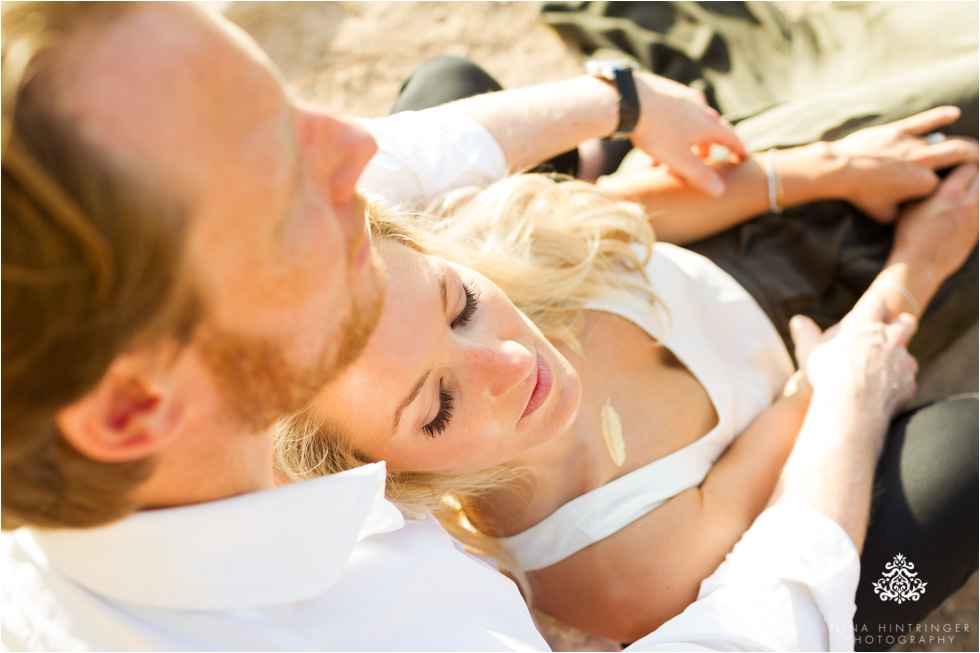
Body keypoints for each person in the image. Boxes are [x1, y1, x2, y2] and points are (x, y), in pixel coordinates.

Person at [0, 1, 959, 651]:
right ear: (135, 408)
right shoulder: (406, 623)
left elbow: (405, 176)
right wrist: (848, 403)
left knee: (449, 101)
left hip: (670, 299)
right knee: (956, 470)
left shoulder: (211, 373)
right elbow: (756, 627)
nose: (358, 145)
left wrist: (621, 97)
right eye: (277, 184)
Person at [277, 125, 979, 642]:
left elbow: (609, 218)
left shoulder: (478, 259)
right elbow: (827, 394)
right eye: (439, 406)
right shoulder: (619, 569)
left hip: (718, 242)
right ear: (391, 481)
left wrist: (824, 169)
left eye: (461, 305)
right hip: (829, 336)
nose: (514, 362)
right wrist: (917, 267)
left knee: (939, 126)